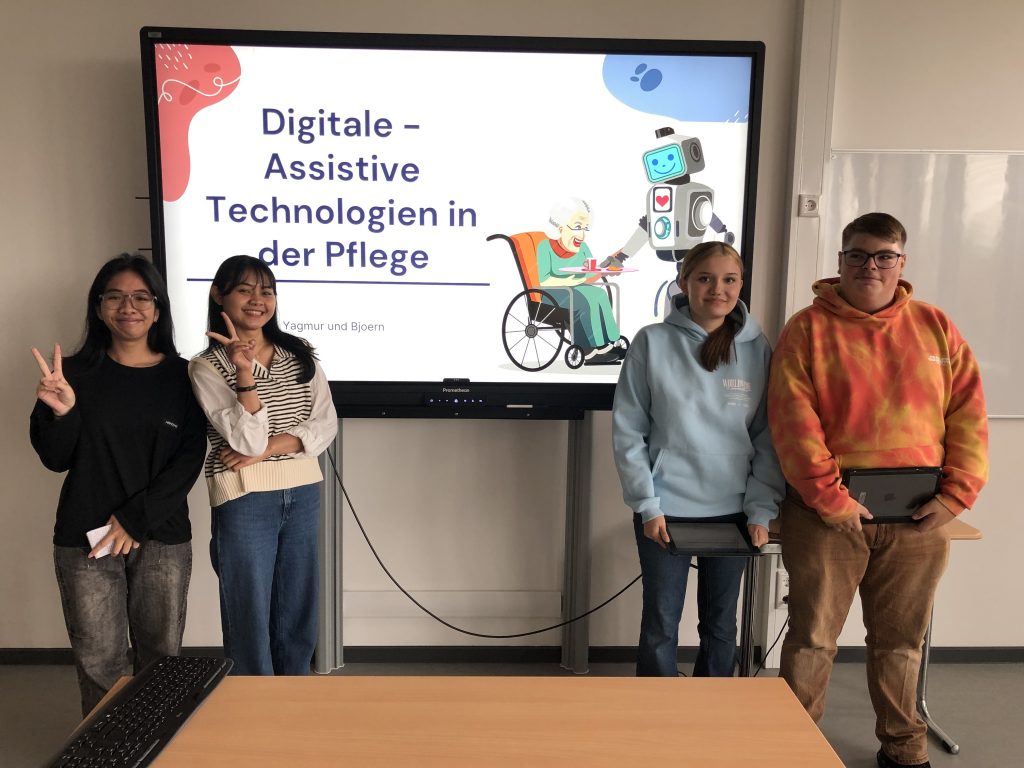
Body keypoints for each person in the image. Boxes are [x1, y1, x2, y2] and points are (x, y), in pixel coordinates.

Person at [767, 212, 988, 768]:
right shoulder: (807, 329)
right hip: (826, 518)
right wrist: (829, 498)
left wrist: (955, 496)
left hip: (918, 520)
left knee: (902, 642)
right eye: (859, 255)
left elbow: (968, 414)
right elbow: (793, 421)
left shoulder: (936, 327)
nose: (871, 266)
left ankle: (904, 747)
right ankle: (795, 749)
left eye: (884, 256)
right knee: (813, 640)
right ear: (840, 261)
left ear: (901, 262)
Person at [29, 254, 206, 716]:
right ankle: (106, 746)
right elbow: (55, 459)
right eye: (115, 297)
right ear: (99, 307)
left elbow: (189, 458)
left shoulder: (184, 377)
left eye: (141, 297)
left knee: (161, 660)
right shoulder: (70, 375)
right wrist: (63, 413)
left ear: (158, 309)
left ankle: (154, 743)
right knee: (99, 663)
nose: (128, 307)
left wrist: (133, 519)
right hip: (85, 538)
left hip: (161, 536)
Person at [612, 241, 784, 677]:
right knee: (660, 625)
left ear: (741, 285)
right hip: (665, 510)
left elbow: (767, 436)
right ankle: (656, 713)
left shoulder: (757, 348)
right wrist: (647, 505)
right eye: (705, 278)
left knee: (721, 627)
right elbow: (629, 431)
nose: (717, 289)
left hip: (734, 512)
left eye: (729, 280)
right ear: (683, 282)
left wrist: (761, 510)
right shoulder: (651, 342)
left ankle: (714, 711)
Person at [188, 255, 337, 676]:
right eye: (244, 290)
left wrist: (268, 450)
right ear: (218, 295)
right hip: (245, 498)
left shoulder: (298, 354)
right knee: (249, 610)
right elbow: (245, 440)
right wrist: (243, 373)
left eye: (266, 291)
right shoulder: (205, 367)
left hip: (304, 491)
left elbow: (326, 425)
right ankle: (254, 700)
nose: (258, 300)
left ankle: (294, 694)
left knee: (298, 607)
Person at [536, 197, 624, 364]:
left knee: (599, 295)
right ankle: (590, 351)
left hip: (576, 289)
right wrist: (572, 281)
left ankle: (609, 342)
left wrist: (606, 269)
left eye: (585, 228)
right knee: (584, 302)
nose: (582, 235)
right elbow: (545, 280)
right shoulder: (545, 247)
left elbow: (589, 275)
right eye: (577, 227)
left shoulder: (583, 248)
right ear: (560, 228)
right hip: (552, 293)